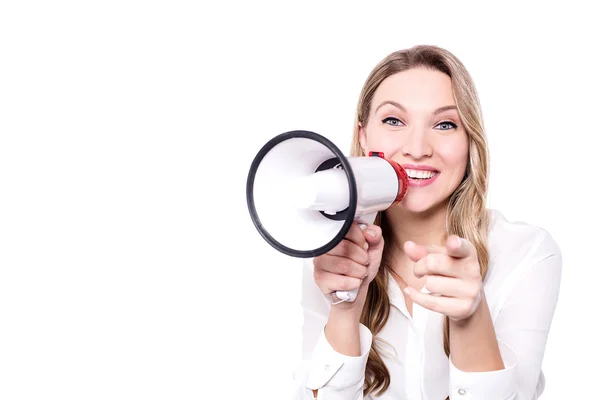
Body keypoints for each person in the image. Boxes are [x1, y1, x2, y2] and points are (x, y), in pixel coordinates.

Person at [292, 45, 562, 400]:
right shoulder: (333, 254)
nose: (417, 148)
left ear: (469, 143)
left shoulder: (526, 253)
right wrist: (345, 310)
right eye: (393, 121)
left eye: (445, 124)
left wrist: (471, 316)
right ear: (363, 135)